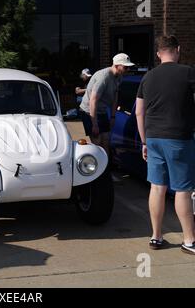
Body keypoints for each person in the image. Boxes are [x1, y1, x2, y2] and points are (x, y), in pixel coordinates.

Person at [136, 35, 195, 255]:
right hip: (178, 138)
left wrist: (143, 141)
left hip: (153, 138)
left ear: (159, 53)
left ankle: (156, 237)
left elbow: (139, 112)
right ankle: (189, 240)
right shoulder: (188, 72)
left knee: (157, 187)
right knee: (182, 190)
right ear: (177, 50)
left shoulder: (147, 78)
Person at [80, 54, 134, 156]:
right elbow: (93, 100)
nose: (127, 70)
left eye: (128, 67)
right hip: (89, 111)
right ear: (117, 65)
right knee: (97, 142)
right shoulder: (103, 77)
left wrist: (113, 116)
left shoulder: (119, 77)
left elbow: (115, 97)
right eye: (125, 67)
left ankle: (106, 168)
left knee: (106, 141)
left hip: (102, 110)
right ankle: (97, 169)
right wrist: (94, 124)